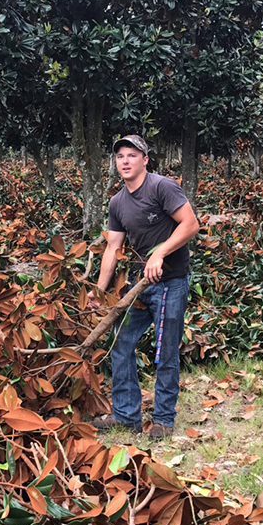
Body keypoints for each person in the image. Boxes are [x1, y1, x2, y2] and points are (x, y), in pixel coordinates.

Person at [91, 135, 200, 439]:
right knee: (120, 344)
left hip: (171, 282)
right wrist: (99, 291)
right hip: (139, 286)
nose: (124, 161)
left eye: (131, 155)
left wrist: (161, 252)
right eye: (120, 157)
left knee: (165, 351)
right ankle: (127, 416)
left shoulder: (161, 187)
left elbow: (191, 224)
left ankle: (164, 419)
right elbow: (112, 249)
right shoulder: (117, 202)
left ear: (145, 159)